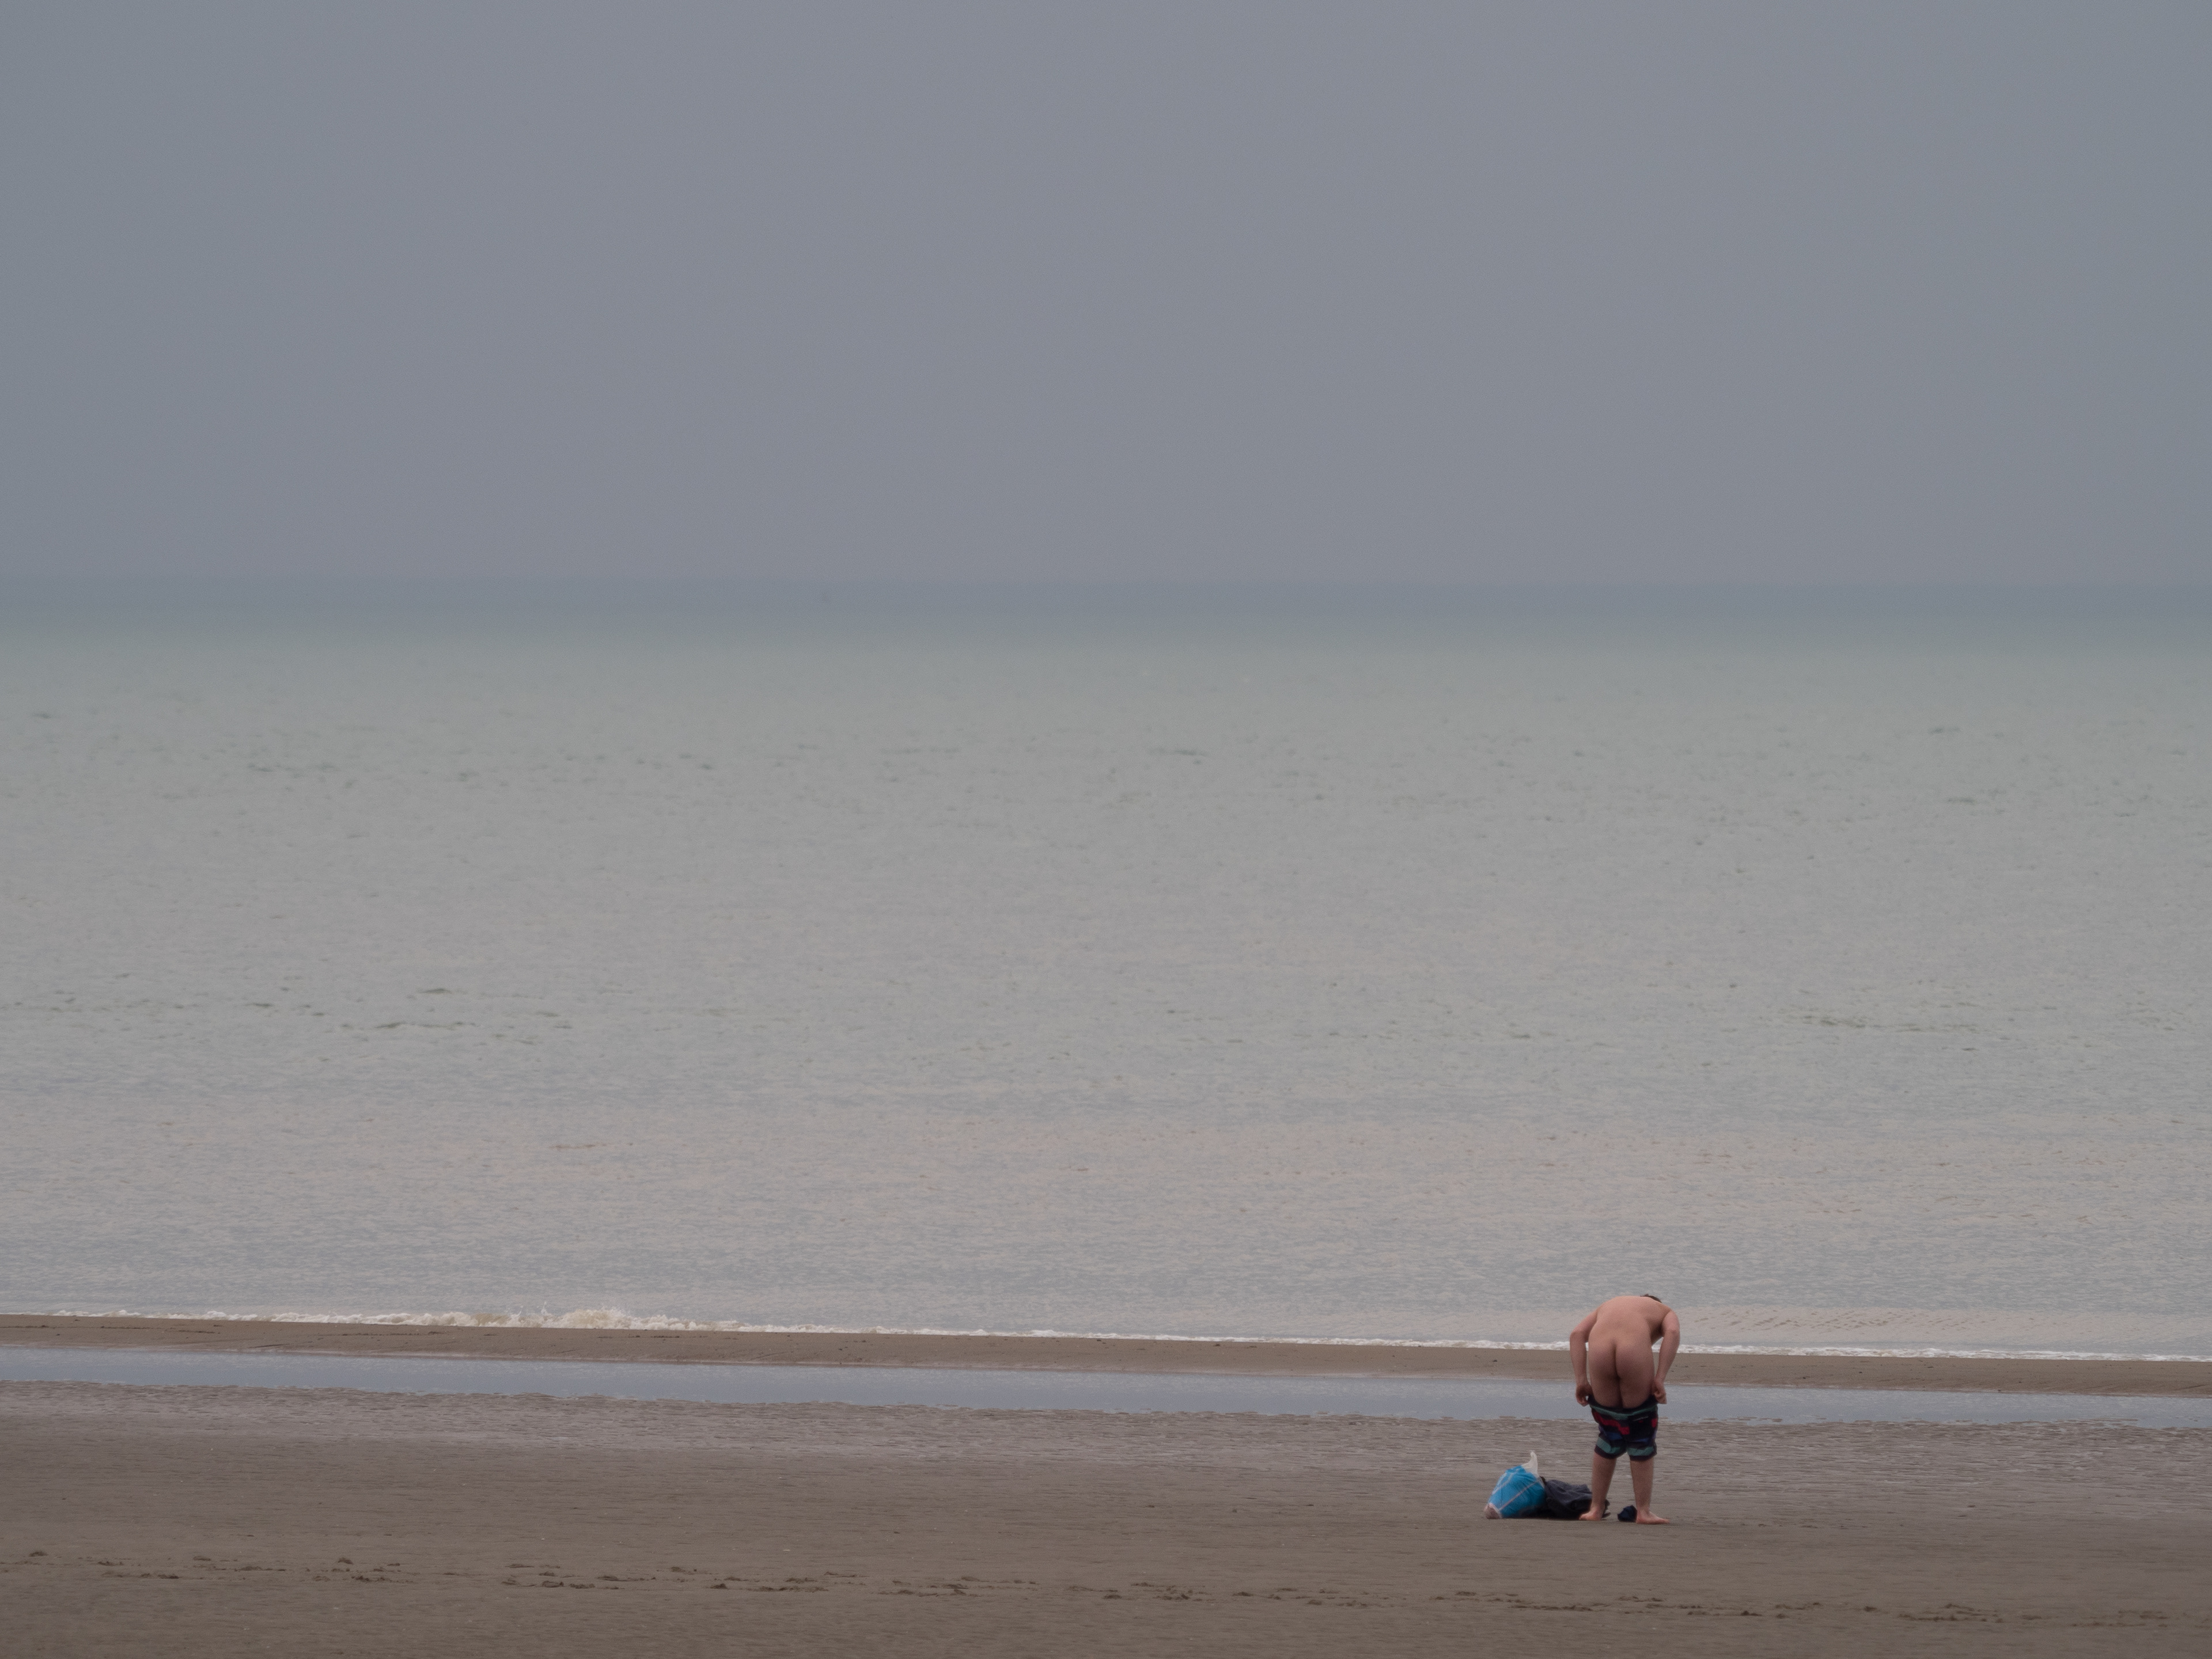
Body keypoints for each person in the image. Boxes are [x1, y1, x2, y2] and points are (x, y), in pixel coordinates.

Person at [1569, 1293, 1680, 1524]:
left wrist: (1581, 1380)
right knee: (1641, 1430)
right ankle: (1643, 1512)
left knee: (1609, 1433)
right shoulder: (1665, 1311)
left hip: (1600, 1353)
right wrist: (1660, 1378)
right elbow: (1672, 1332)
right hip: (1632, 1354)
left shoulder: (1608, 1306)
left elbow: (1577, 1334)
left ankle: (1595, 1509)